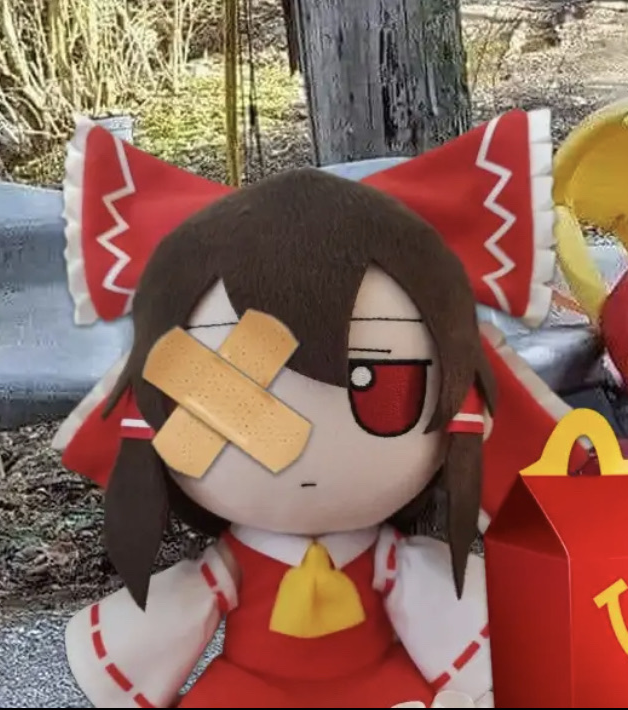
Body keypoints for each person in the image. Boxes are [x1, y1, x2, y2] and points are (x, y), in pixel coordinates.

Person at [51, 108, 580, 708]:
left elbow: (454, 625)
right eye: (231, 399)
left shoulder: (388, 563)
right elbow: (169, 621)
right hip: (250, 687)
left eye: (382, 387)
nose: (296, 440)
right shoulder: (232, 567)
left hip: (378, 682)